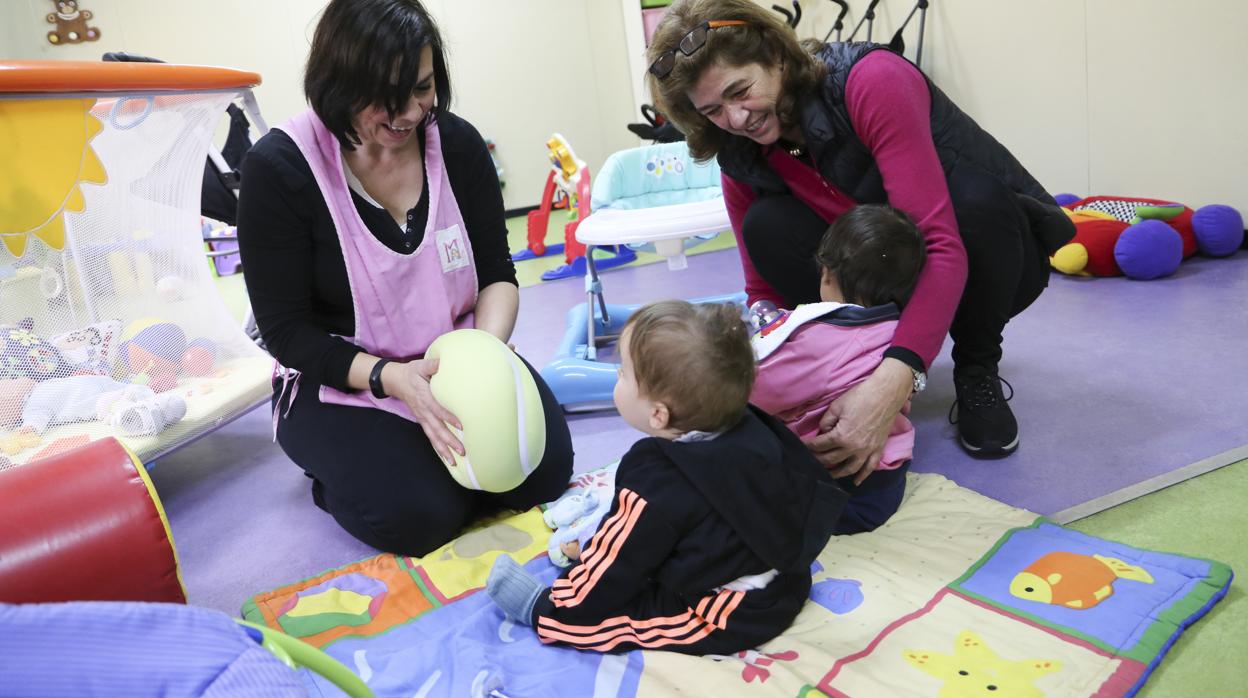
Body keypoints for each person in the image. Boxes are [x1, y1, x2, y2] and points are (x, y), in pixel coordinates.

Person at [645, 0, 1075, 469]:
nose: (737, 119)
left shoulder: (872, 81)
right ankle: (850, 366)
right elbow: (762, 292)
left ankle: (977, 368)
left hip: (990, 259)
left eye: (740, 90)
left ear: (775, 55)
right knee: (766, 226)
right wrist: (755, 386)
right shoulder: (738, 153)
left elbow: (938, 243)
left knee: (976, 199)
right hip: (884, 276)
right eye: (713, 110)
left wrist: (898, 377)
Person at [236, 0, 573, 555]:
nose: (408, 114)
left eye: (421, 89)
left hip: (454, 360)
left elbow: (497, 272)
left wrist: (481, 363)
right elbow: (285, 331)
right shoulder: (280, 171)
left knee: (541, 473)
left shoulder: (457, 146)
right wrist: (392, 379)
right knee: (420, 518)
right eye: (383, 99)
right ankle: (329, 474)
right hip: (344, 380)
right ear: (335, 85)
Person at [486, 301, 847, 654]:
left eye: (623, 372)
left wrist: (564, 600)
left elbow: (618, 563)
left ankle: (544, 614)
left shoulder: (658, 480)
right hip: (786, 574)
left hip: (737, 607)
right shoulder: (750, 425)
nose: (617, 376)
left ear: (658, 415)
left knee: (627, 618)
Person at [751, 204, 924, 532]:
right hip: (885, 485)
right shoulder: (902, 333)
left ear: (826, 273)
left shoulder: (815, 340)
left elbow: (757, 392)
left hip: (839, 486)